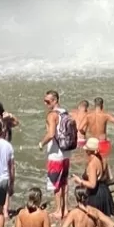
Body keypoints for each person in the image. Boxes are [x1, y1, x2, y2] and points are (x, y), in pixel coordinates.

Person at [40, 90, 74, 218]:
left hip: (55, 154)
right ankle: (65, 209)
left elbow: (51, 134)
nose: (45, 103)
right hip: (66, 152)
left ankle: (59, 210)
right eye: (44, 101)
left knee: (56, 184)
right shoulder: (65, 112)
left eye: (47, 101)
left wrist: (41, 144)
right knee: (64, 181)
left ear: (55, 100)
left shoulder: (52, 115)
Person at [74, 137, 114, 227]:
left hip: (95, 194)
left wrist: (79, 181)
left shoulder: (92, 164)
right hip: (104, 190)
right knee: (102, 220)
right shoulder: (103, 160)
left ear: (89, 151)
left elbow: (92, 184)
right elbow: (109, 178)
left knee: (95, 223)